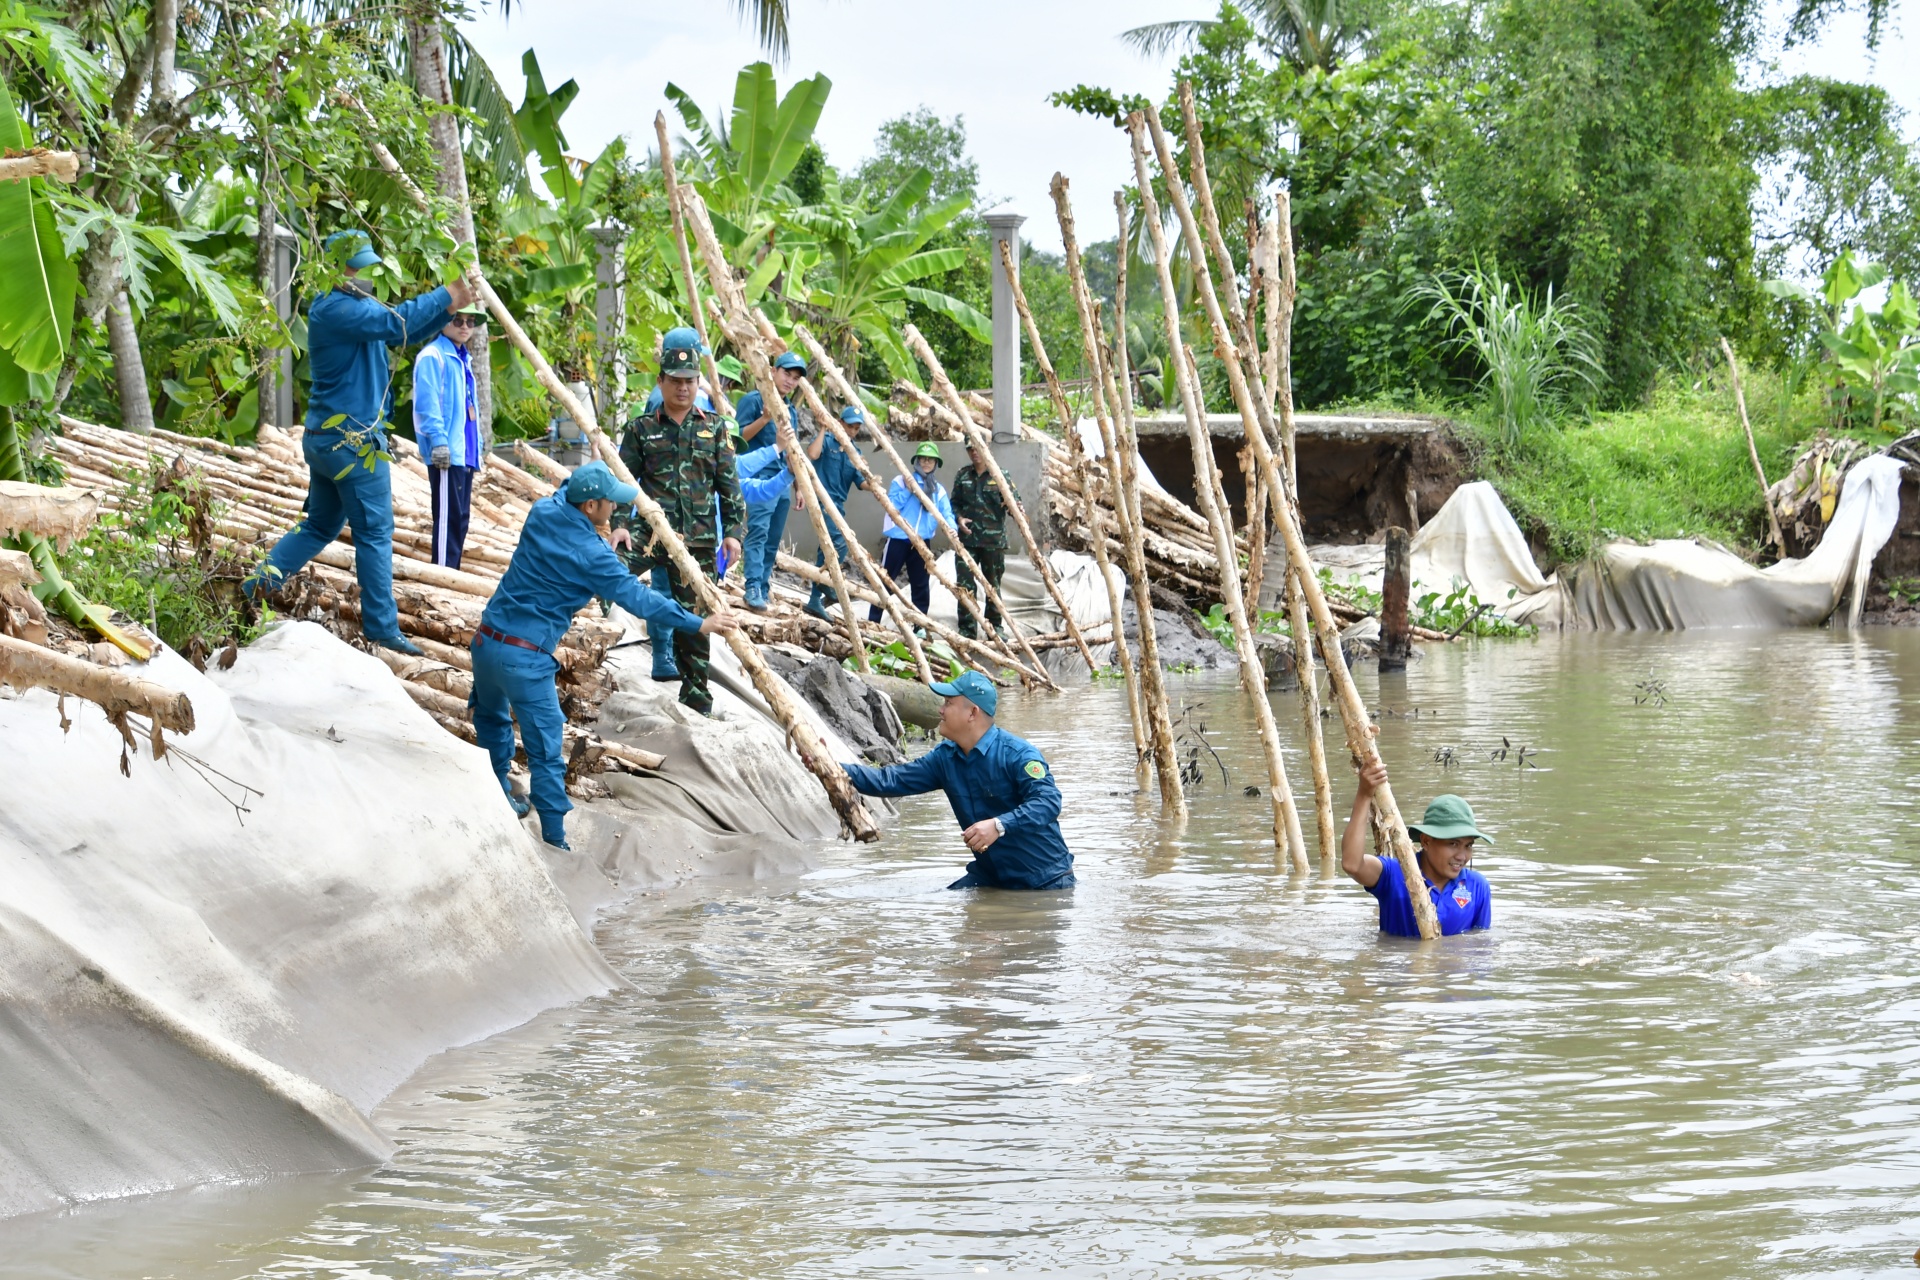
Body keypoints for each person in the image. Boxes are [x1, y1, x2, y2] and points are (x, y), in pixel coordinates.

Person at [472, 461, 739, 850]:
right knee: (546, 753)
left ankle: (498, 795)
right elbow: (640, 599)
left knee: (492, 722)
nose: (616, 509)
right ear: (590, 507)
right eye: (609, 503)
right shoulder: (593, 556)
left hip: (485, 643)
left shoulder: (544, 511)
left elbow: (565, 489)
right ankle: (555, 842)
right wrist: (698, 624)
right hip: (524, 660)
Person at [245, 229, 473, 654]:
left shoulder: (353, 307)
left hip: (328, 438)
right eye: (357, 266)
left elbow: (398, 331)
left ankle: (252, 587)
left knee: (321, 524)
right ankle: (383, 630)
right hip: (350, 442)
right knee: (375, 532)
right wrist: (446, 293)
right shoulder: (335, 309)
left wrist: (448, 307)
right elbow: (392, 322)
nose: (365, 273)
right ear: (336, 268)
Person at [613, 327, 745, 715]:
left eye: (689, 381)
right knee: (604, 572)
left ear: (698, 383)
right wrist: (620, 524)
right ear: (661, 381)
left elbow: (729, 486)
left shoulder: (716, 428)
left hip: (699, 541)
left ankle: (696, 701)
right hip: (651, 533)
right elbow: (623, 481)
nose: (682, 388)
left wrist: (734, 535)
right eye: (675, 381)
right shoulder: (641, 429)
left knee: (696, 623)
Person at [841, 670, 1073, 890]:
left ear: (972, 713)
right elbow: (888, 780)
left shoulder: (1018, 755)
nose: (941, 710)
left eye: (948, 703)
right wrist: (831, 766)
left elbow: (1048, 802)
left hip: (1046, 882)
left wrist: (999, 825)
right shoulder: (945, 758)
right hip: (992, 877)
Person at [1342, 760, 1493, 937]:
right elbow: (1352, 864)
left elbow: (1480, 945)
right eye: (1453, 844)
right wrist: (1364, 794)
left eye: (1468, 846)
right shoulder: (1394, 874)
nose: (1462, 856)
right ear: (1426, 841)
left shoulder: (1476, 886)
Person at [412, 303, 486, 569]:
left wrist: (477, 445)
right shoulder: (433, 356)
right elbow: (427, 404)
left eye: (470, 322)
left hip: (464, 452)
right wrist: (438, 442)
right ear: (443, 322)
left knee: (461, 519)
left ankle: (451, 573)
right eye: (458, 321)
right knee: (447, 519)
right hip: (447, 452)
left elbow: (470, 408)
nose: (465, 326)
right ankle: (442, 577)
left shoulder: (463, 358)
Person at [733, 351, 808, 611]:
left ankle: (763, 585)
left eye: (795, 378)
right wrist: (764, 418)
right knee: (758, 532)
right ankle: (752, 585)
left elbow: (792, 450)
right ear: (774, 371)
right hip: (757, 477)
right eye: (786, 373)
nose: (790, 380)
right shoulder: (753, 401)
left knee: (773, 537)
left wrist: (798, 487)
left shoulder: (791, 412)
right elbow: (737, 438)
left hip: (783, 480)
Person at [869, 441, 954, 624]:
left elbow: (946, 513)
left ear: (936, 463)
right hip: (898, 539)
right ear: (916, 461)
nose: (926, 463)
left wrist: (952, 530)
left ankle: (919, 625)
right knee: (885, 580)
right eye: (922, 459)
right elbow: (891, 506)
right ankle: (873, 621)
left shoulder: (937, 490)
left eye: (930, 460)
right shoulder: (901, 481)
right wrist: (908, 490)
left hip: (922, 542)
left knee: (921, 585)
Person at [802, 404, 867, 622]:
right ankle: (824, 586)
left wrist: (873, 482)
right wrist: (822, 429)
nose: (853, 432)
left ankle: (816, 597)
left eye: (857, 428)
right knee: (838, 542)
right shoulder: (827, 441)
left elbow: (861, 482)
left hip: (838, 504)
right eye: (850, 426)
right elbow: (812, 454)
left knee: (826, 548)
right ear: (840, 423)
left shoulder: (854, 453)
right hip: (821, 499)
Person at [951, 441, 1019, 641]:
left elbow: (1015, 503)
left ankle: (995, 627)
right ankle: (967, 629)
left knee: (993, 585)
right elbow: (954, 503)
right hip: (967, 541)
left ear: (985, 448)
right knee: (964, 586)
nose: (974, 453)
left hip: (993, 541)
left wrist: (1015, 509)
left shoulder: (1000, 475)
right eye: (970, 449)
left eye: (977, 448)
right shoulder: (963, 475)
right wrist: (959, 518)